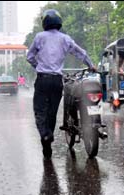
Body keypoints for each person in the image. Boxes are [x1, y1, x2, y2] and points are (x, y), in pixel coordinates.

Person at [27, 9, 96, 160]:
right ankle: (48, 143)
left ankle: (46, 136)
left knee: (40, 111)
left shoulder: (39, 37)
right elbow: (81, 53)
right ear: (59, 22)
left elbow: (29, 56)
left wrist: (38, 66)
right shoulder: (65, 39)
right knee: (51, 113)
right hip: (57, 81)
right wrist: (91, 65)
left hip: (42, 80)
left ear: (44, 22)